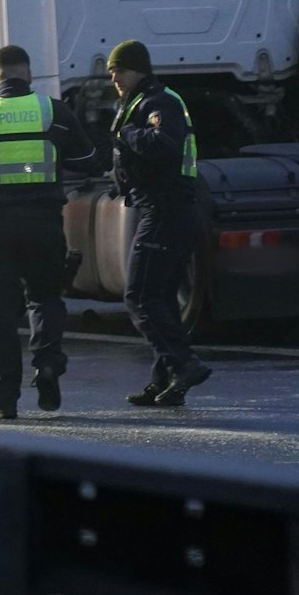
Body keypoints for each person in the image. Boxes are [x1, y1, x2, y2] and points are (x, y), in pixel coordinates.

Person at [0, 45, 100, 420]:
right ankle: (47, 364)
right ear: (28, 75)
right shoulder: (53, 112)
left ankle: (4, 400)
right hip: (44, 222)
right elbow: (87, 160)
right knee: (45, 298)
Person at [107, 40, 212, 406]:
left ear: (138, 69)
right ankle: (164, 380)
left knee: (139, 297)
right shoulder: (141, 101)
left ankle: (185, 364)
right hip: (163, 206)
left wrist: (127, 134)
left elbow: (163, 143)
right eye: (111, 72)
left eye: (118, 70)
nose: (113, 78)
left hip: (166, 209)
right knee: (162, 297)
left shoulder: (159, 102)